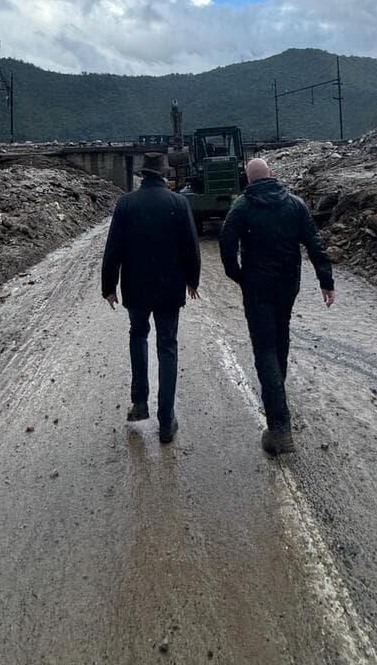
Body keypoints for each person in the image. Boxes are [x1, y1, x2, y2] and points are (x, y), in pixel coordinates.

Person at [219, 157, 335, 455]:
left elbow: (226, 244)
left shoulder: (242, 207)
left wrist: (239, 277)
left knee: (265, 349)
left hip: (257, 287)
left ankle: (279, 427)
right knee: (281, 338)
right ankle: (277, 395)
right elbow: (314, 243)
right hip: (287, 285)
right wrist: (326, 280)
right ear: (271, 175)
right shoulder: (295, 204)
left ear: (248, 179)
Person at [102, 151, 201, 443]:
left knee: (138, 336)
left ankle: (140, 403)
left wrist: (109, 286)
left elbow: (113, 250)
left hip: (136, 288)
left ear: (142, 174)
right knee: (168, 345)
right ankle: (167, 420)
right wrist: (192, 280)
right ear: (165, 175)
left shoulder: (126, 204)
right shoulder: (179, 203)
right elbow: (191, 247)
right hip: (170, 288)